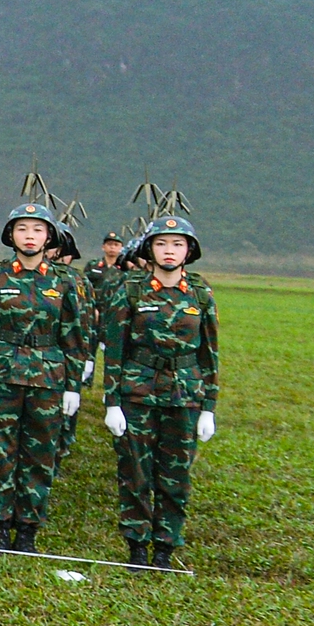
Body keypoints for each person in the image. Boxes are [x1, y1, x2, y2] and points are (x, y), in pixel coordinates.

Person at [0, 202, 88, 551]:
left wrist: (73, 387)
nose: (29, 236)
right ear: (11, 235)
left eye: (37, 230)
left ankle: (28, 530)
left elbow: (74, 337)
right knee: (0, 453)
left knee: (39, 456)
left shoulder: (64, 281)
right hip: (2, 373)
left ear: (49, 236)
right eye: (22, 229)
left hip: (48, 376)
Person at [104, 213, 218, 568]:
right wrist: (112, 402)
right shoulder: (131, 289)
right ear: (150, 249)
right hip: (137, 392)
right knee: (136, 473)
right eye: (162, 244)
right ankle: (137, 547)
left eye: (178, 244)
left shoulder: (200, 293)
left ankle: (165, 548)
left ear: (189, 250)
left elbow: (209, 353)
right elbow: (115, 348)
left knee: (175, 476)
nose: (170, 251)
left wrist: (209, 407)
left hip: (185, 396)